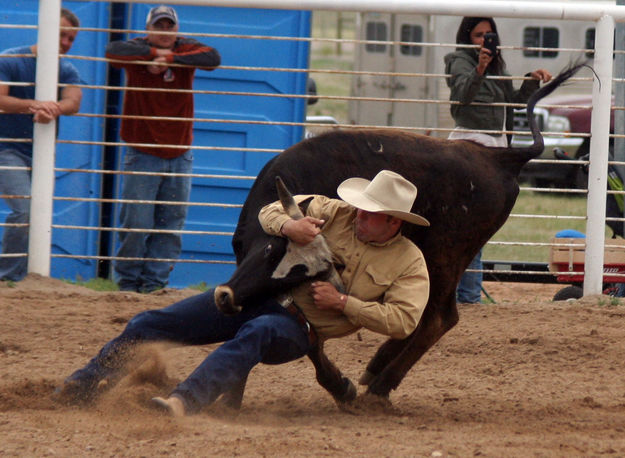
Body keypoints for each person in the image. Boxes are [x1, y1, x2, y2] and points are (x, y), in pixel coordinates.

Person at [54, 170, 430, 416]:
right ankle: (81, 386)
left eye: (369, 213)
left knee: (257, 332)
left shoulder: (409, 263)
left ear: (394, 222)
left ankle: (182, 402)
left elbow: (403, 321)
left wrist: (344, 303)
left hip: (299, 329)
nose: (358, 215)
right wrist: (289, 227)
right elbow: (269, 211)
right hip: (258, 294)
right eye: (360, 208)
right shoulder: (333, 211)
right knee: (151, 322)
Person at [105, 5, 221, 293]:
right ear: (149, 29)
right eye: (160, 26)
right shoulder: (136, 48)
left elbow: (212, 58)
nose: (165, 31)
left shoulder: (185, 49)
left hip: (180, 152)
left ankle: (154, 285)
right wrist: (151, 56)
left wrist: (167, 58)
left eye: (170, 26)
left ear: (176, 30)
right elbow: (113, 52)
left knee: (170, 225)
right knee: (137, 223)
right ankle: (128, 285)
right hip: (143, 152)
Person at [444, 17, 552, 304]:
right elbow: (460, 97)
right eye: (478, 35)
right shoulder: (459, 61)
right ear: (467, 38)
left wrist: (531, 81)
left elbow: (512, 102)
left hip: (491, 150)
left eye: (488, 34)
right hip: (471, 146)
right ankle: (464, 295)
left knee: (473, 227)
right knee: (468, 227)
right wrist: (479, 68)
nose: (484, 40)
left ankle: (465, 295)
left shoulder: (497, 66)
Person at [0, 8, 82, 282]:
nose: (66, 43)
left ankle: (22, 278)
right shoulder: (12, 59)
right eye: (62, 35)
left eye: (71, 39)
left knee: (36, 213)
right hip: (7, 149)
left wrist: (54, 108)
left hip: (41, 154)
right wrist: (36, 105)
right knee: (25, 210)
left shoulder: (66, 69)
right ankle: (8, 278)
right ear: (45, 32)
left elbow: (74, 101)